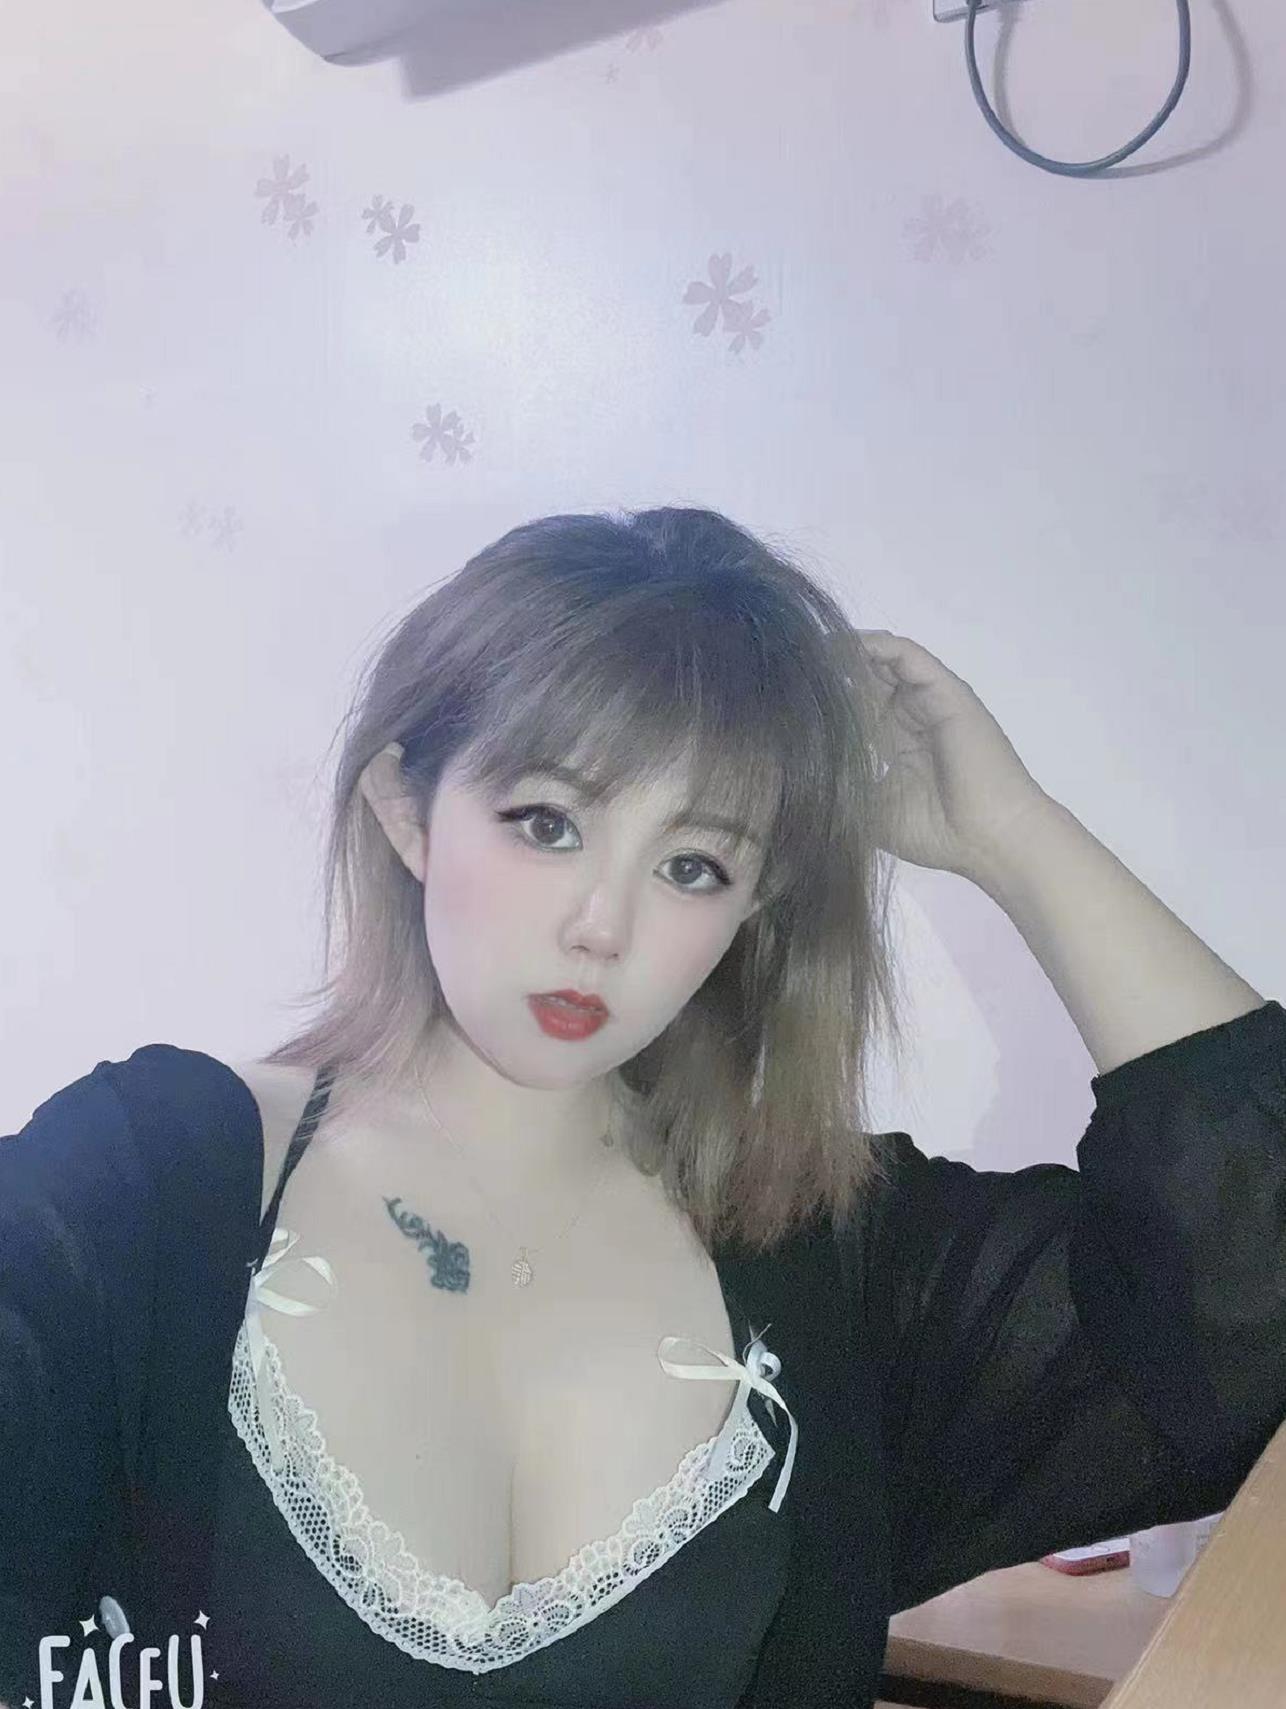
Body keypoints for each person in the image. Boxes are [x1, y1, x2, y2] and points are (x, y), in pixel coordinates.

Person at [2, 505, 1282, 1709]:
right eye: (545, 822)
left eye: (690, 864)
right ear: (408, 810)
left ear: (750, 904)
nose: (600, 925)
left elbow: (1248, 1301)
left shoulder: (825, 1256)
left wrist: (1011, 831)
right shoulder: (143, 1190)